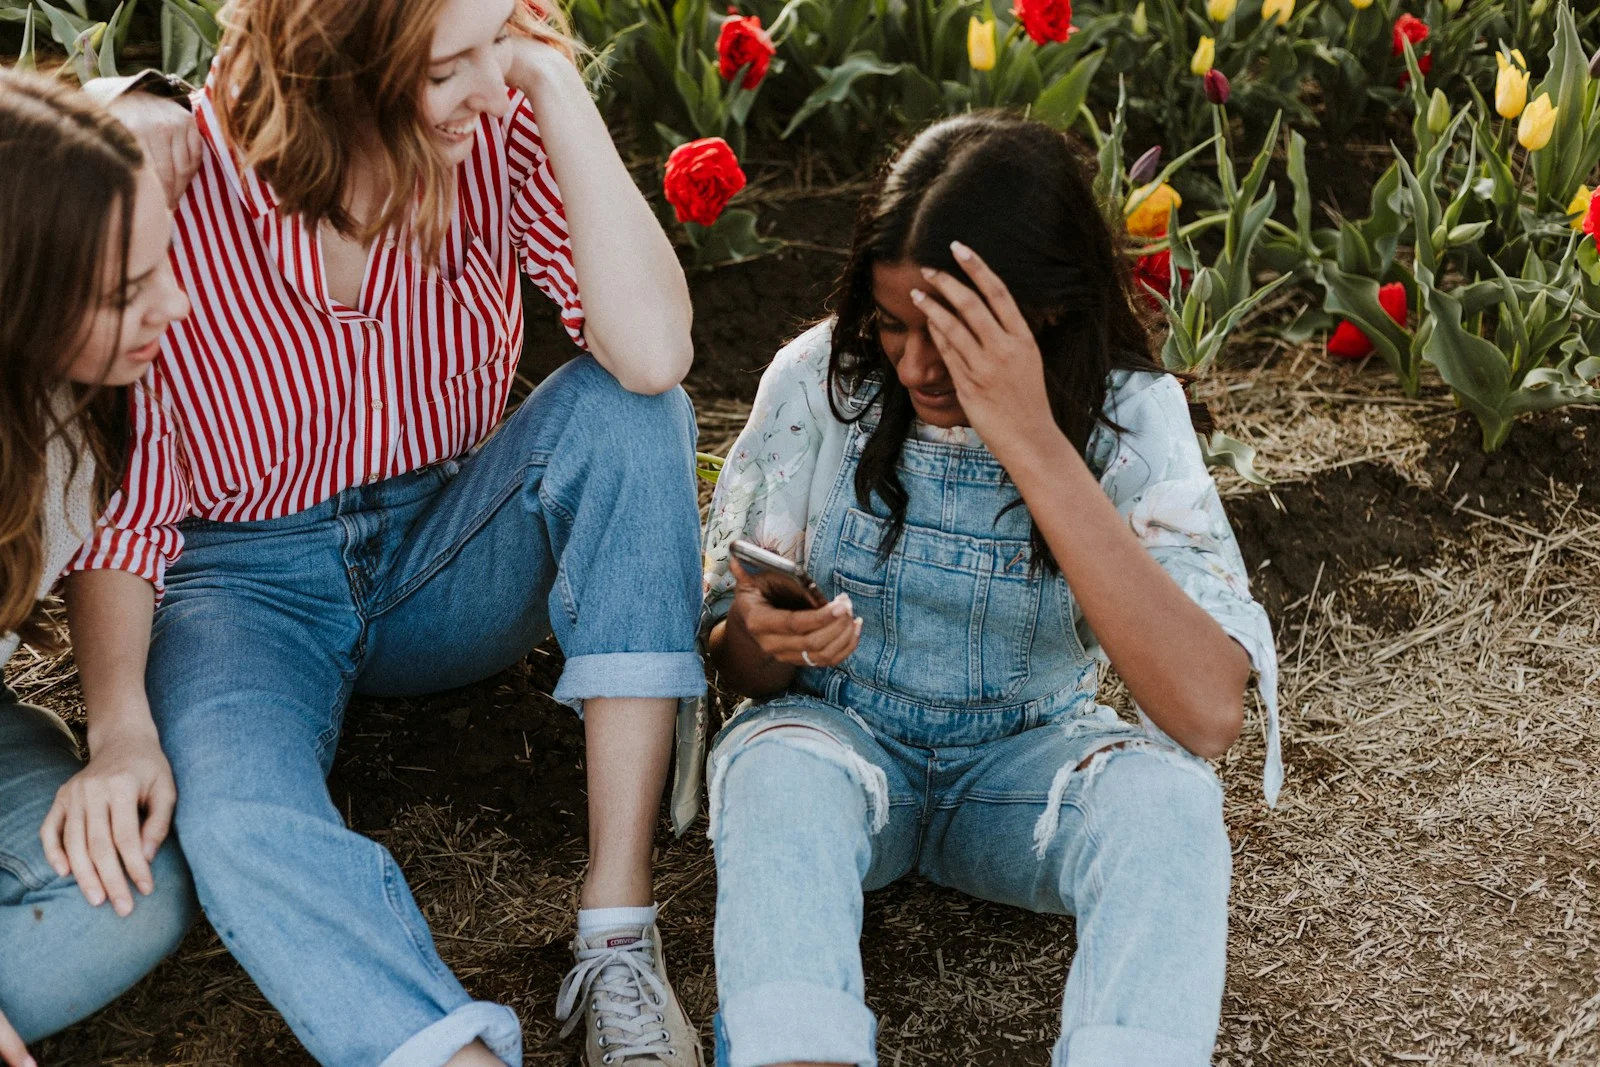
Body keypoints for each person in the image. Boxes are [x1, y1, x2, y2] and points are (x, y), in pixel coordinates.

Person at [78, 0, 707, 1063]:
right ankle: (439, 1046)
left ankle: (615, 928)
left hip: (446, 544)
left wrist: (554, 83)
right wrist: (120, 725)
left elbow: (649, 354)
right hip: (243, 586)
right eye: (453, 64)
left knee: (635, 411)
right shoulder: (177, 175)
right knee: (234, 821)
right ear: (337, 69)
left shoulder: (497, 129)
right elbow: (126, 501)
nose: (491, 86)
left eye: (498, 47)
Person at [701, 112, 1282, 1067]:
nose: (917, 366)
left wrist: (1030, 436)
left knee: (1170, 806)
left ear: (1043, 311)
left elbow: (1209, 714)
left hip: (1029, 762)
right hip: (844, 743)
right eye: (894, 325)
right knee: (774, 770)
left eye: (952, 337)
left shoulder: (1127, 417)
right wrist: (765, 638)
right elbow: (737, 661)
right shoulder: (820, 382)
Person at [0, 70, 196, 1067]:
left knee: (131, 891)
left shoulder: (85, 402)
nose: (177, 304)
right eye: (126, 293)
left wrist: (121, 729)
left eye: (164, 262)